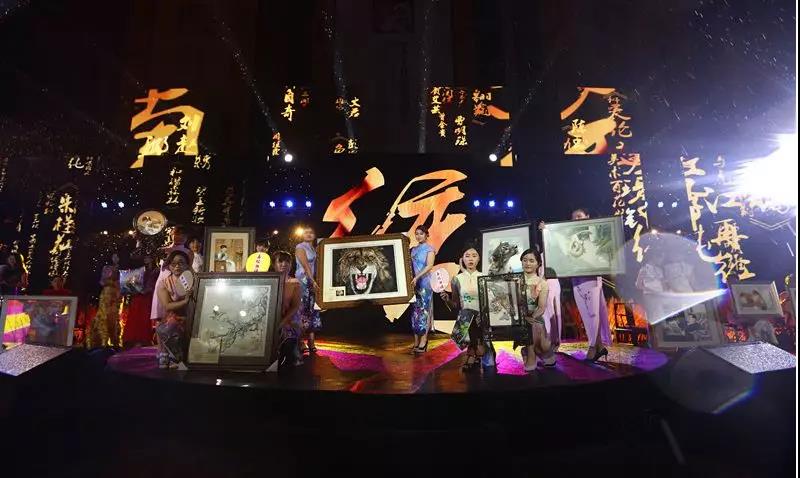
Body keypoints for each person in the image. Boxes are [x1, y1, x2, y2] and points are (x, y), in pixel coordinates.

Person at [540, 208, 611, 362]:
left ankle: (593, 347)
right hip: (576, 278)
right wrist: (547, 231)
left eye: (579, 216)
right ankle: (599, 347)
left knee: (594, 313)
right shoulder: (571, 237)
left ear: (588, 216)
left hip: (591, 277)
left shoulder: (594, 234)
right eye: (574, 218)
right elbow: (558, 242)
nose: (576, 220)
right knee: (586, 314)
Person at [440, 246, 494, 371]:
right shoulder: (457, 279)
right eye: (467, 256)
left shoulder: (484, 277)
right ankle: (472, 353)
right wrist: (447, 300)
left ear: (479, 259)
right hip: (466, 319)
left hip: (482, 319)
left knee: (489, 363)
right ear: (462, 259)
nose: (471, 259)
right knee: (467, 315)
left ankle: (477, 352)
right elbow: (455, 305)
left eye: (474, 256)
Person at [518, 248, 555, 370]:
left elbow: (541, 307)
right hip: (519, 317)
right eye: (525, 260)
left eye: (531, 261)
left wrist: (531, 317)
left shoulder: (542, 283)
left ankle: (538, 351)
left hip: (535, 316)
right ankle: (531, 355)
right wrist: (523, 317)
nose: (527, 263)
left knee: (543, 346)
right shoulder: (515, 280)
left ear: (538, 264)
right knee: (530, 327)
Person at [155, 250, 192, 368]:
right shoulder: (164, 283)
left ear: (187, 264)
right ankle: (170, 356)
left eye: (181, 263)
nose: (177, 266)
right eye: (173, 263)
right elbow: (167, 306)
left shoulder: (194, 280)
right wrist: (185, 301)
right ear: (169, 265)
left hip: (192, 316)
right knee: (170, 325)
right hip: (174, 318)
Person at [150, 226, 194, 325]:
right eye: (177, 234)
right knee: (161, 314)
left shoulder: (189, 252)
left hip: (179, 282)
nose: (180, 237)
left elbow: (189, 268)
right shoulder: (163, 250)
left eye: (183, 234)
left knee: (178, 314)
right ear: (172, 234)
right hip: (163, 281)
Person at [122, 254, 160, 347]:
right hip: (137, 296)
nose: (146, 259)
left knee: (144, 317)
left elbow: (156, 284)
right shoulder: (141, 269)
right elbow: (132, 282)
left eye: (148, 257)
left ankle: (143, 339)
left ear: (152, 258)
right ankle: (132, 339)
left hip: (147, 297)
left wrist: (147, 290)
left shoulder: (156, 270)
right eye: (145, 257)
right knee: (134, 315)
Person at [273, 251, 302, 368]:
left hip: (288, 323)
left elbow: (295, 306)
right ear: (274, 264)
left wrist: (282, 323)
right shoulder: (268, 281)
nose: (284, 264)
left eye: (287, 261)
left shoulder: (295, 283)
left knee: (289, 356)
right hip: (271, 323)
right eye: (280, 261)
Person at [87, 253, 122, 348]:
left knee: (114, 317)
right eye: (114, 257)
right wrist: (113, 282)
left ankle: (115, 340)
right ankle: (103, 340)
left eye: (117, 257)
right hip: (107, 294)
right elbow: (103, 281)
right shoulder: (107, 268)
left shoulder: (121, 270)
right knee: (104, 316)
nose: (116, 258)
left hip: (116, 295)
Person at [410, 225, 436, 353]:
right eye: (416, 234)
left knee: (424, 311)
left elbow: (429, 266)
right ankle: (416, 340)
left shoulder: (429, 249)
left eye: (421, 233)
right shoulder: (413, 250)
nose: (418, 236)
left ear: (426, 235)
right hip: (414, 284)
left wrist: (417, 277)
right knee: (415, 312)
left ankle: (424, 340)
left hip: (425, 283)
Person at [295, 226, 321, 353]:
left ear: (314, 235)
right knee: (302, 311)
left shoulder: (315, 248)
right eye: (306, 232)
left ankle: (311, 341)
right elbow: (306, 266)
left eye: (311, 232)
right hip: (303, 281)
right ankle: (300, 341)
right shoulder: (300, 247)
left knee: (313, 310)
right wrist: (312, 280)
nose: (309, 234)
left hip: (312, 282)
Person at [538, 249, 563, 352]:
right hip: (547, 282)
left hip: (551, 281)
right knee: (549, 314)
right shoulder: (541, 254)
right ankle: (552, 340)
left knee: (554, 313)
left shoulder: (551, 252)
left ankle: (555, 341)